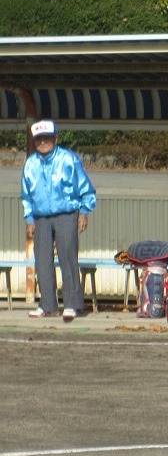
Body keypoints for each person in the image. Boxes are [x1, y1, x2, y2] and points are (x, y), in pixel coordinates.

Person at [21, 120, 97, 321]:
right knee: (42, 261)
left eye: (47, 138)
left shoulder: (69, 159)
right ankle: (47, 305)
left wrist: (84, 212)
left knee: (68, 258)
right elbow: (26, 195)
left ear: (56, 138)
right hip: (41, 218)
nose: (43, 142)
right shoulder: (30, 164)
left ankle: (71, 304)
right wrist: (29, 218)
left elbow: (86, 189)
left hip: (66, 214)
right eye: (39, 139)